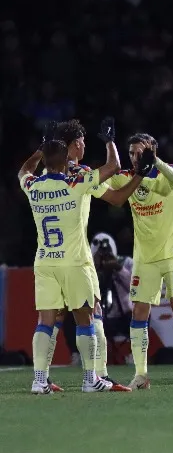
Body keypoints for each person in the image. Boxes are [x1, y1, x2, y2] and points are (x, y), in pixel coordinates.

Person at [19, 120, 139, 393]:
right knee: (88, 317)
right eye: (82, 142)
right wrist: (110, 141)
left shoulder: (34, 186)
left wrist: (41, 149)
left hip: (45, 261)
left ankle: (40, 380)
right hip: (75, 261)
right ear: (70, 149)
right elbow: (113, 171)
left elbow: (24, 170)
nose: (84, 145)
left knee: (47, 320)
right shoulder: (79, 181)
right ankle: (92, 378)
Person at [104, 133, 173, 389]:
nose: (135, 157)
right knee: (139, 313)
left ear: (152, 151)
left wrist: (153, 162)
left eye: (140, 152)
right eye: (132, 152)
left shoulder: (168, 173)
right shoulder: (126, 177)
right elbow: (105, 175)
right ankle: (141, 374)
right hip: (145, 257)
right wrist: (109, 143)